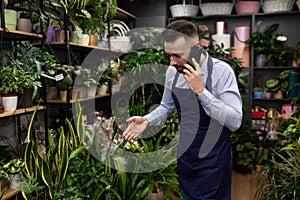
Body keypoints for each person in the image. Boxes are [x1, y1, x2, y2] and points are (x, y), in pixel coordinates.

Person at [123, 20, 243, 200]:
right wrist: (147, 120)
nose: (171, 62)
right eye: (168, 55)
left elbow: (235, 122)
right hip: (186, 159)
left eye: (177, 55)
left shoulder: (222, 72)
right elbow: (166, 107)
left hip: (213, 163)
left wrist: (201, 92)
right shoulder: (172, 72)